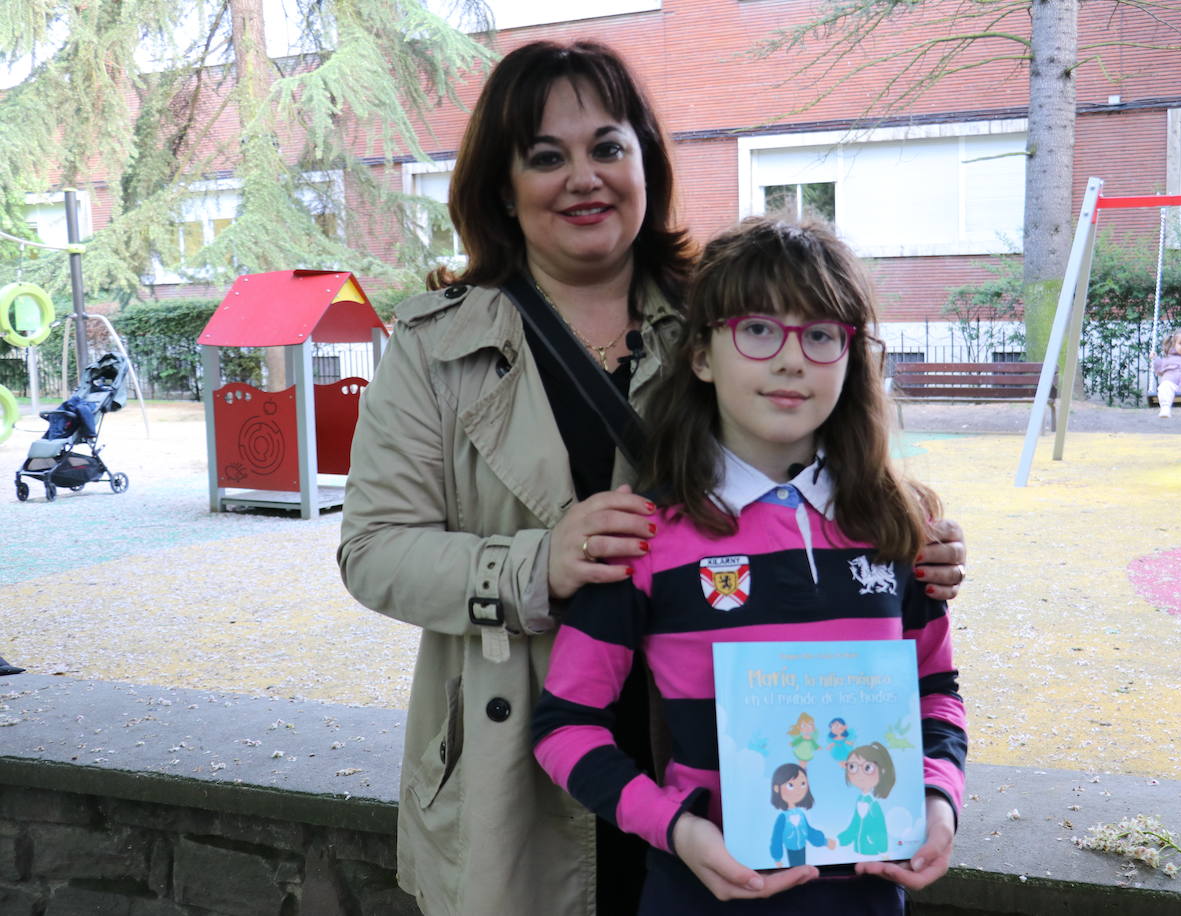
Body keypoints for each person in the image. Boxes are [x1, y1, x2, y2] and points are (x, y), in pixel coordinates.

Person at [338, 41, 969, 916]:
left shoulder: (726, 311)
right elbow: (373, 553)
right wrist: (537, 564)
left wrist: (912, 534)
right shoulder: (433, 346)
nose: (583, 178)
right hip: (525, 742)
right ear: (501, 185)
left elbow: (826, 447)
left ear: (646, 161)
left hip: (722, 754)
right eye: (546, 156)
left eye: (607, 147)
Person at [532, 218, 967, 915]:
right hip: (699, 895)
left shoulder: (896, 529)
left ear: (851, 357)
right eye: (759, 329)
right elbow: (564, 728)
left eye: (821, 334)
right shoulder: (644, 538)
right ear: (702, 354)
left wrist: (941, 800)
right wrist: (674, 827)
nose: (792, 359)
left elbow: (937, 693)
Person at [768, 764, 835, 867]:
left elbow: (809, 832)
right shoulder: (783, 818)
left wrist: (824, 842)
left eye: (803, 784)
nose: (799, 790)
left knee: (803, 869)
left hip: (802, 848)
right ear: (777, 788)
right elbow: (777, 838)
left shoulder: (801, 814)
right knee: (795, 871)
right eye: (791, 785)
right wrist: (777, 858)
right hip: (791, 850)